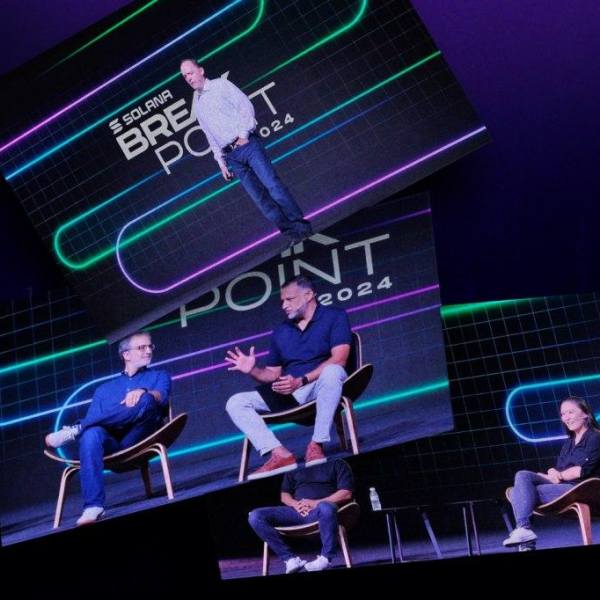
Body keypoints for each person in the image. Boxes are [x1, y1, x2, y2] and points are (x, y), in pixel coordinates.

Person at [225, 275, 352, 480]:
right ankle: (280, 454)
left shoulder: (335, 316)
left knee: (333, 371)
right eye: (282, 301)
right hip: (291, 392)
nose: (284, 305)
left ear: (308, 295)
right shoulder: (281, 331)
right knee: (236, 402)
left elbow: (340, 359)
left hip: (321, 385)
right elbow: (272, 374)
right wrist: (252, 370)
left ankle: (316, 444)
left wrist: (302, 380)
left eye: (289, 299)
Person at [180, 58, 312, 246]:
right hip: (231, 157)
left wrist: (243, 135)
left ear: (200, 70)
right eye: (185, 76)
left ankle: (303, 228)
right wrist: (221, 162)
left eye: (190, 73)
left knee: (273, 186)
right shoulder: (199, 106)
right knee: (261, 200)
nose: (188, 78)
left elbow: (245, 106)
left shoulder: (220, 85)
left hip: (248, 146)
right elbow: (210, 136)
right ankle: (293, 235)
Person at [44, 332, 171, 526]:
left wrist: (144, 391)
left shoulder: (159, 376)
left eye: (149, 346)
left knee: (146, 399)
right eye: (141, 347)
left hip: (141, 436)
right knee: (91, 433)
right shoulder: (104, 390)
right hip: (113, 445)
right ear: (126, 355)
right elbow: (95, 424)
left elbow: (162, 398)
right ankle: (93, 506)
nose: (148, 351)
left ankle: (76, 428)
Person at [503, 396, 600, 550]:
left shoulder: (595, 437)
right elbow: (559, 471)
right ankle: (524, 531)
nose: (566, 418)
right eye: (563, 414)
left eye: (570, 412)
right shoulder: (569, 443)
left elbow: (581, 470)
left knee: (519, 493)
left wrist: (558, 475)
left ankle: (525, 538)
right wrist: (551, 472)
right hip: (564, 486)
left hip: (583, 489)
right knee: (523, 476)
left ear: (585, 414)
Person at [248, 458, 354, 573]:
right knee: (256, 516)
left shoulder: (337, 463)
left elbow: (346, 493)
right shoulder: (294, 466)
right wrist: (295, 504)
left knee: (326, 507)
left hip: (321, 510)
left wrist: (315, 503)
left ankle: (325, 559)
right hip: (296, 512)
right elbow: (284, 495)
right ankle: (290, 559)